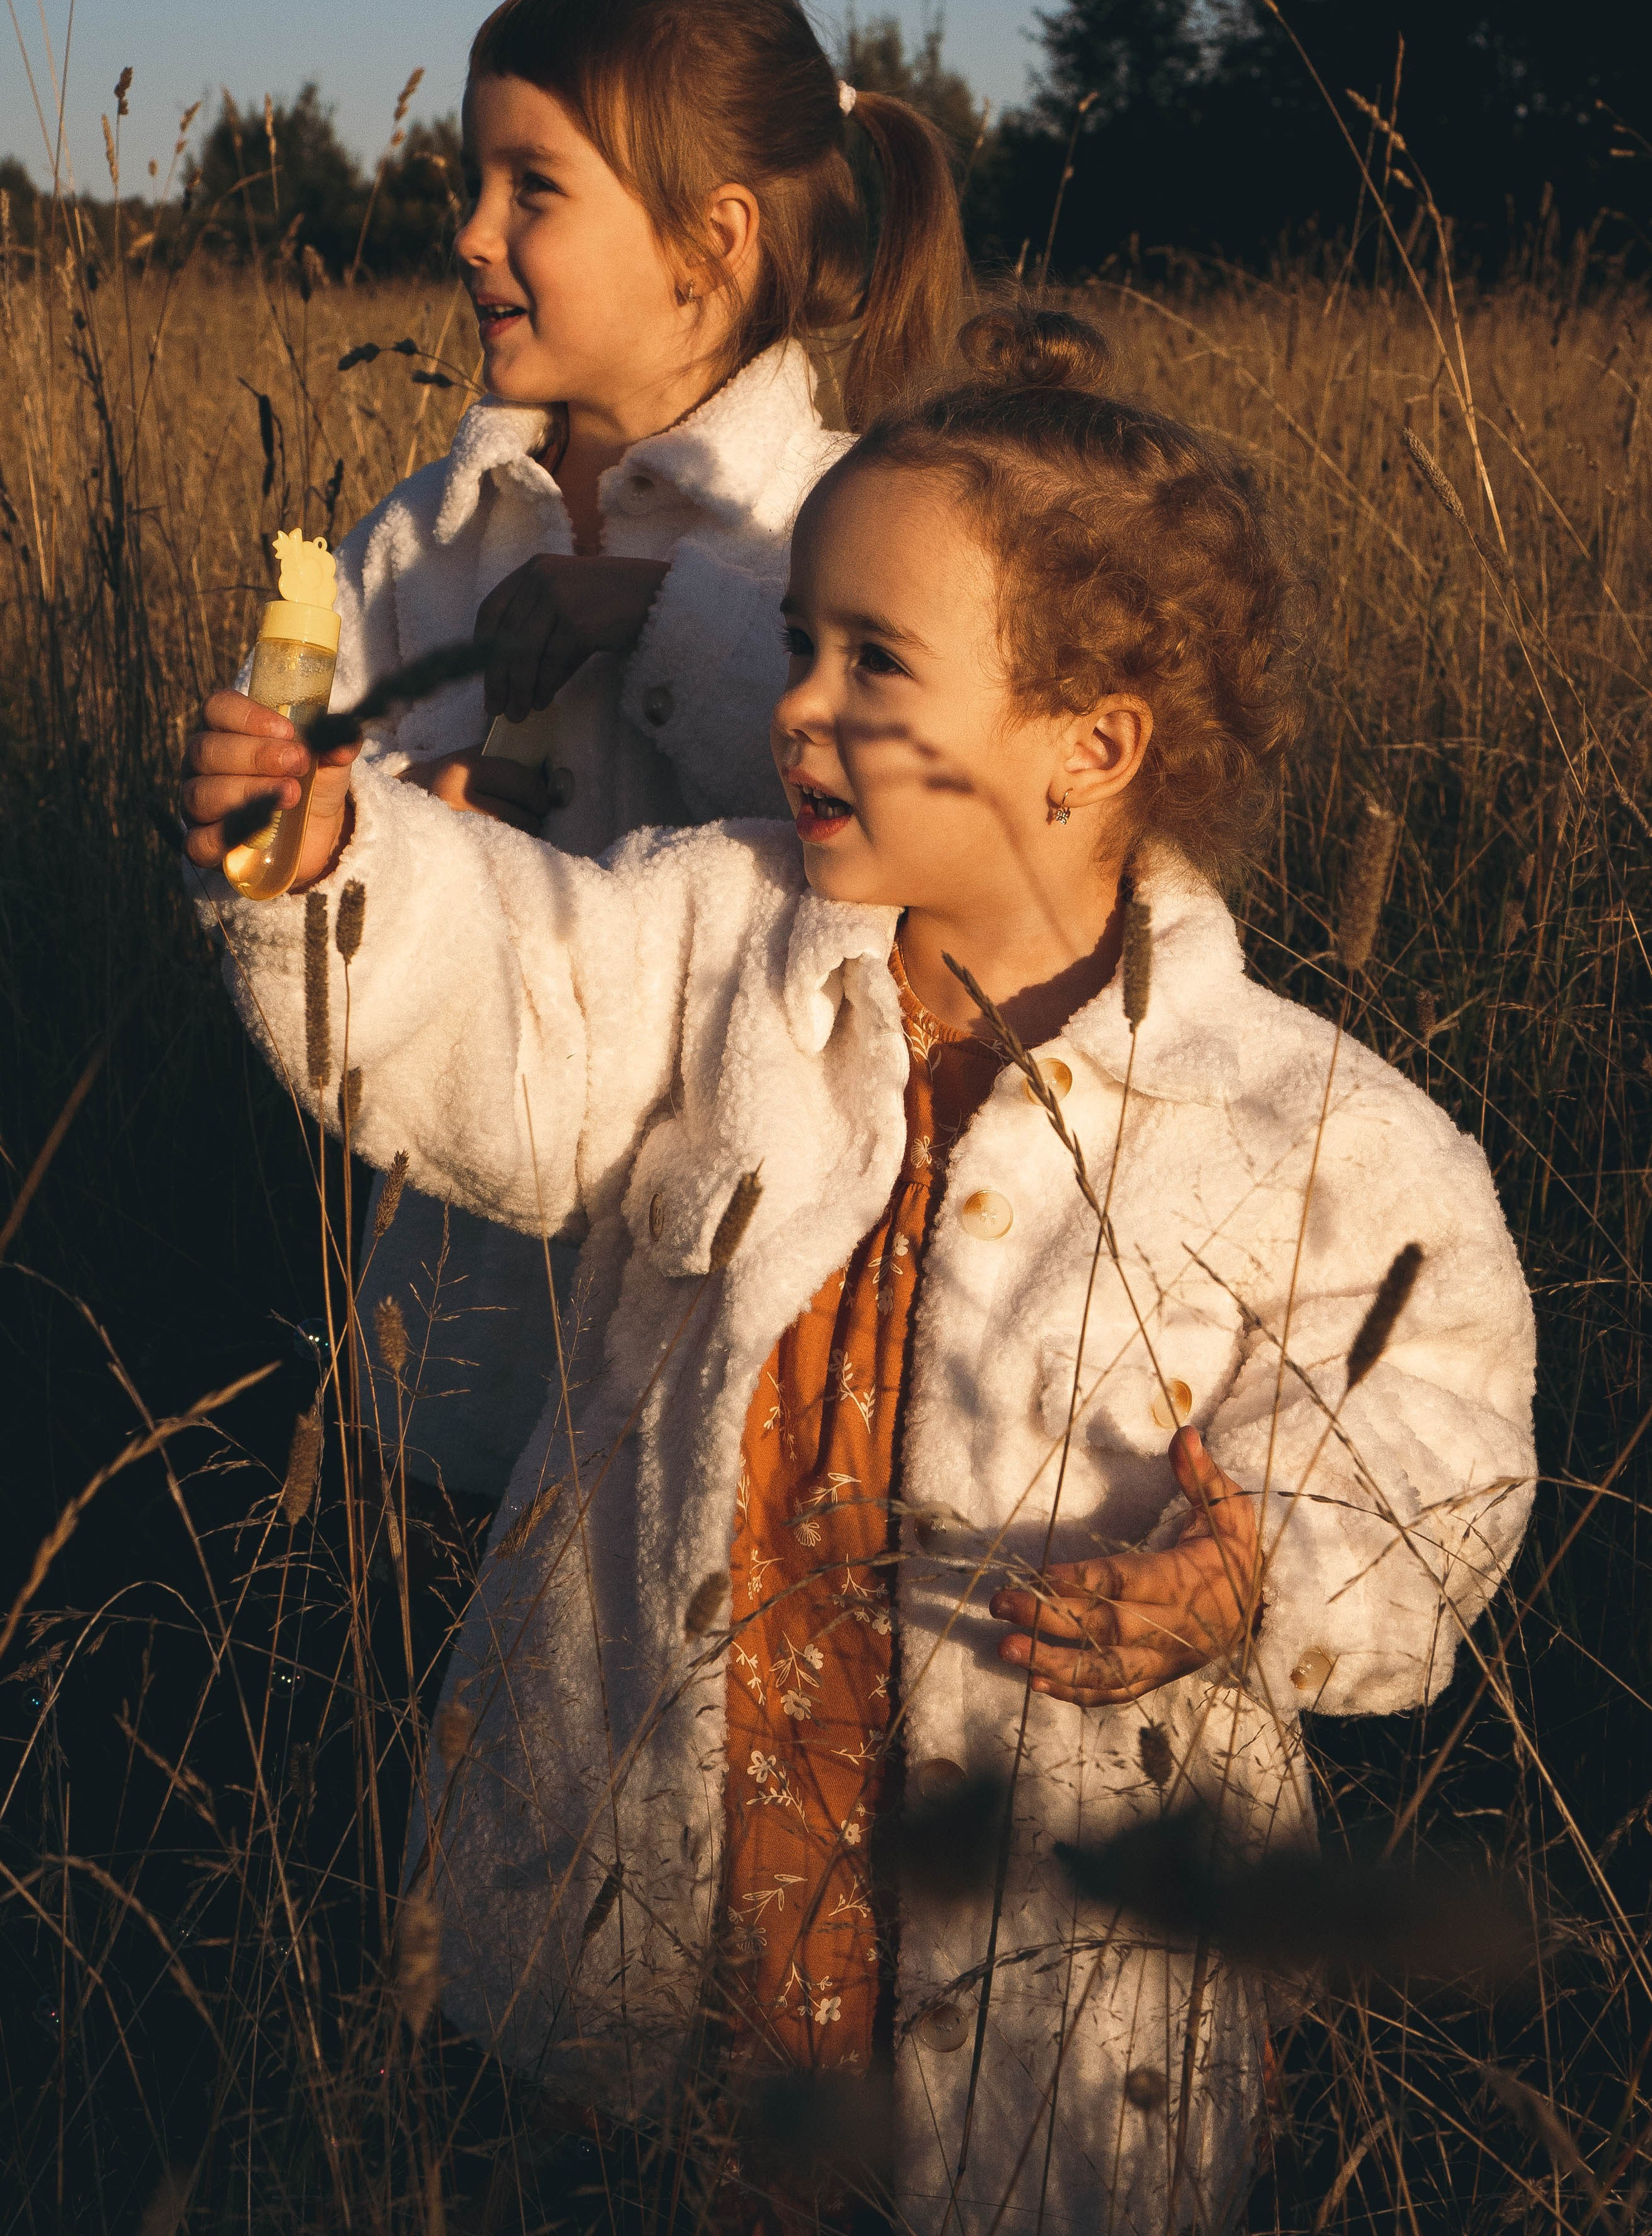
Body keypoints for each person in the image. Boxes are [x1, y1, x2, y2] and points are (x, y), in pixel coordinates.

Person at [181, 307, 1535, 2233]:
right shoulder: (724, 939)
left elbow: (1439, 1433)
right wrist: (341, 870)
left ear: (1092, 747)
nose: (795, 705)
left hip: (1042, 1944)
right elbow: (520, 1006)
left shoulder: (1309, 1129)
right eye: (800, 638)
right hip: (676, 1841)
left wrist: (1259, 1569)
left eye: (871, 662)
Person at [310, 0, 966, 1496]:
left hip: (745, 1371)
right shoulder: (417, 548)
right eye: (470, 180)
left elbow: (941, 861)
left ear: (709, 240)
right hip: (453, 1340)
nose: (469, 234)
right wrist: (393, 855)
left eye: (532, 188)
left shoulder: (842, 528)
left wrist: (659, 620)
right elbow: (325, 907)